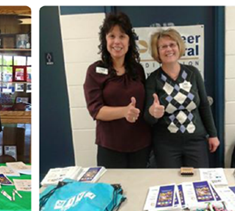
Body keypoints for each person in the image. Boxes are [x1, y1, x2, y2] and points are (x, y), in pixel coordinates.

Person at [83, 12, 151, 168]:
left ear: (129, 41)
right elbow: (96, 110)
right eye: (112, 36)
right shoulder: (95, 71)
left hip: (141, 143)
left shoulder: (137, 69)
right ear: (105, 40)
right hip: (111, 146)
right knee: (113, 190)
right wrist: (124, 111)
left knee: (139, 187)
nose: (117, 41)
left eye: (122, 36)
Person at [145, 28, 220, 168]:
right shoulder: (153, 79)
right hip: (166, 144)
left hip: (196, 141)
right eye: (163, 46)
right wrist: (153, 113)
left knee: (198, 183)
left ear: (179, 47)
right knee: (170, 184)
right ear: (157, 52)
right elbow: (148, 118)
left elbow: (204, 105)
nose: (169, 49)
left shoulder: (193, 73)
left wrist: (213, 134)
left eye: (172, 44)